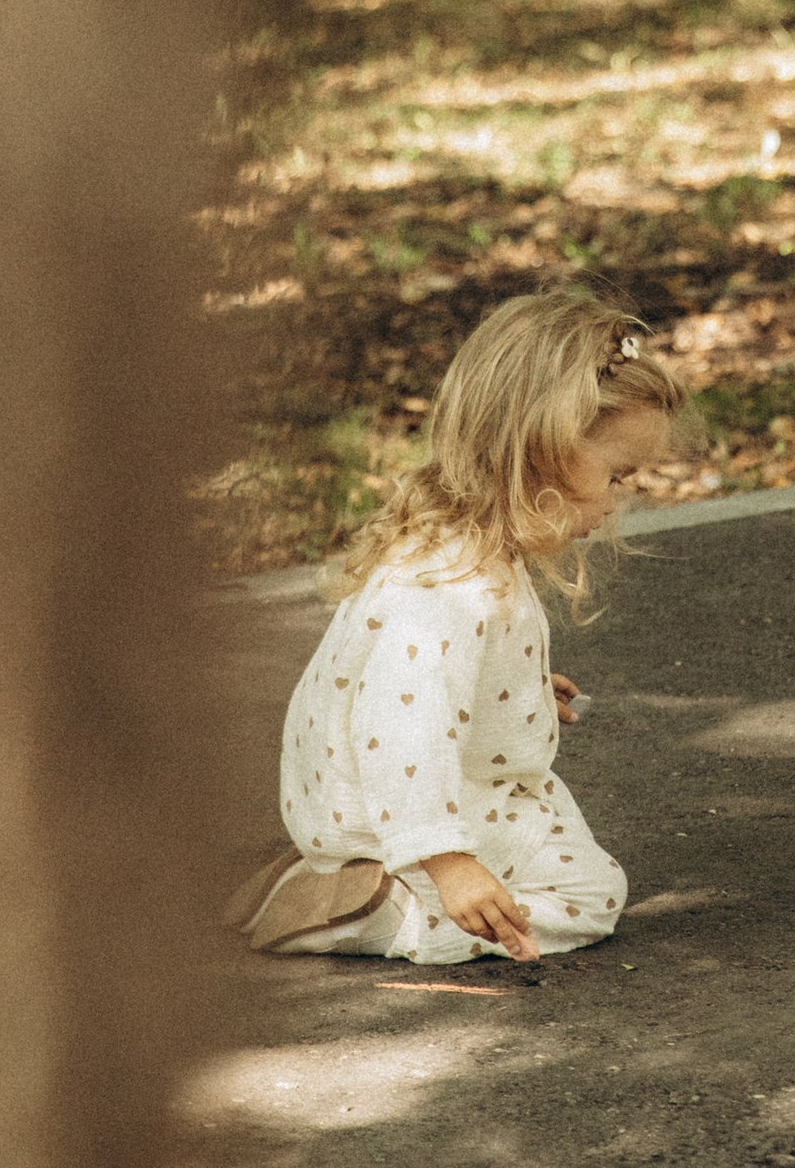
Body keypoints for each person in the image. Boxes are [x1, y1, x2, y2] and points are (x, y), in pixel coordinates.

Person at [230, 289, 688, 964]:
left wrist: (521, 692)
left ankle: (350, 878)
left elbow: (431, 685)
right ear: (540, 451)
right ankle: (385, 913)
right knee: (590, 891)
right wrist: (449, 866)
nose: (625, 497)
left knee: (559, 843)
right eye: (618, 475)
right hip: (394, 808)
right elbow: (401, 725)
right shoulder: (454, 588)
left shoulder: (458, 547)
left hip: (369, 794)